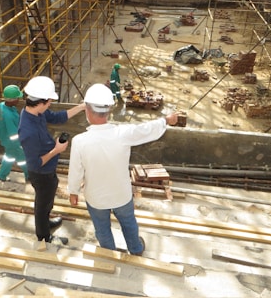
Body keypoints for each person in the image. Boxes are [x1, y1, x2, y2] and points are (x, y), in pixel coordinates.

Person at [68, 83, 178, 256]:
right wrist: (166, 120)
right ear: (109, 110)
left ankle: (109, 253)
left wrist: (73, 192)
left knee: (102, 229)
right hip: (121, 195)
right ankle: (136, 249)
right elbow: (146, 130)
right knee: (129, 223)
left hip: (96, 198)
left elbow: (75, 171)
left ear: (86, 110)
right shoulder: (122, 134)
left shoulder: (80, 141)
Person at [18, 76, 85, 244]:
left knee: (47, 200)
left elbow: (57, 117)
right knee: (42, 204)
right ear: (40, 102)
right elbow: (34, 163)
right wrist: (57, 150)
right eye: (49, 102)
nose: (50, 105)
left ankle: (46, 222)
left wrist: (82, 107)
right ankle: (43, 235)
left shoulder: (36, 111)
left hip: (48, 170)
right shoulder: (28, 131)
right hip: (40, 173)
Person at [0, 85, 28, 182]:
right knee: (23, 159)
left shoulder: (0, 106)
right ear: (12, 100)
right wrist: (20, 144)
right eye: (17, 98)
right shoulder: (9, 116)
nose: (19, 100)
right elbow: (13, 134)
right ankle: (29, 176)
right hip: (12, 142)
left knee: (9, 156)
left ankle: (1, 175)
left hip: (4, 137)